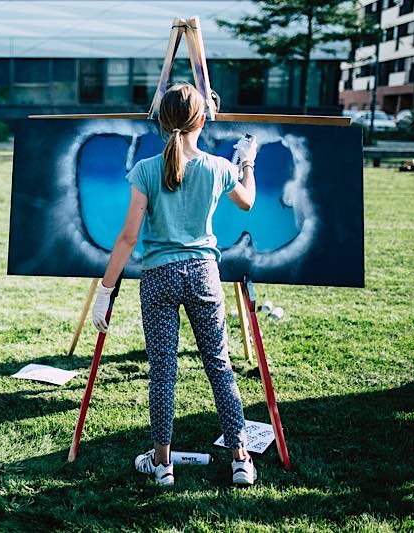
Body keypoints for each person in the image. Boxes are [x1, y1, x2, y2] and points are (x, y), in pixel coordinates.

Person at [91, 83, 259, 486]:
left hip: (159, 277)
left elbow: (128, 238)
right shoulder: (220, 167)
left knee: (163, 372)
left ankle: (162, 463)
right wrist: (247, 163)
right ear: (203, 120)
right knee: (219, 364)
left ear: (162, 123)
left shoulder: (146, 169)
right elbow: (248, 202)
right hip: (204, 273)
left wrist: (104, 290)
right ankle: (240, 458)